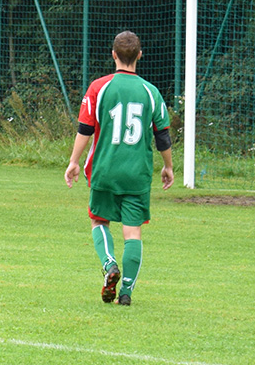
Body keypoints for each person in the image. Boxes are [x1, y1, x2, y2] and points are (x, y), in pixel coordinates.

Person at [64, 31, 174, 306]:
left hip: (104, 170)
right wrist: (168, 166)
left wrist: (74, 161)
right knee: (132, 231)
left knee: (99, 221)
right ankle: (126, 293)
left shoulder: (99, 87)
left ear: (113, 54)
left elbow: (85, 129)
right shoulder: (150, 92)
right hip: (137, 174)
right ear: (140, 55)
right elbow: (162, 136)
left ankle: (109, 263)